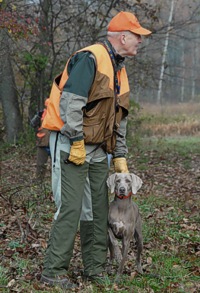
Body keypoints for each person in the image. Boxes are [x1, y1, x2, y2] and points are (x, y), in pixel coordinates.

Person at [40, 11, 152, 289]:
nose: (140, 41)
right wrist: (76, 141)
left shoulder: (119, 69)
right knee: (71, 208)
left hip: (100, 150)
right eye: (138, 36)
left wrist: (121, 157)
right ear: (123, 37)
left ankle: (94, 267)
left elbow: (119, 120)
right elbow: (71, 103)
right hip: (71, 144)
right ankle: (53, 271)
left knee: (99, 210)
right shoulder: (90, 59)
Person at [30, 99, 51, 180]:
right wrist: (38, 116)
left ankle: (54, 185)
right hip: (42, 143)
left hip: (54, 143)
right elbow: (32, 124)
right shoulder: (42, 113)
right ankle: (39, 184)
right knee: (40, 165)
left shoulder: (59, 114)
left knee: (55, 167)